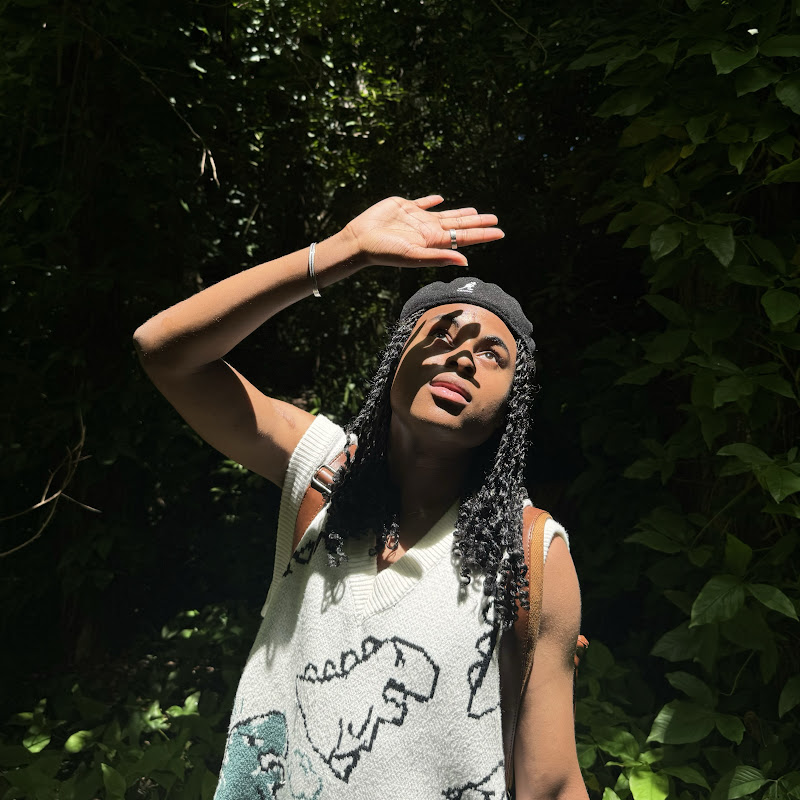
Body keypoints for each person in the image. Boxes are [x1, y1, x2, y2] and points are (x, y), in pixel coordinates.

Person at [133, 195, 587, 800]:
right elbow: (165, 352)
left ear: (511, 406)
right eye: (441, 335)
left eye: (491, 354)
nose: (461, 357)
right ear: (395, 359)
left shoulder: (529, 554)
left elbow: (550, 784)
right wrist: (342, 252)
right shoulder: (322, 471)